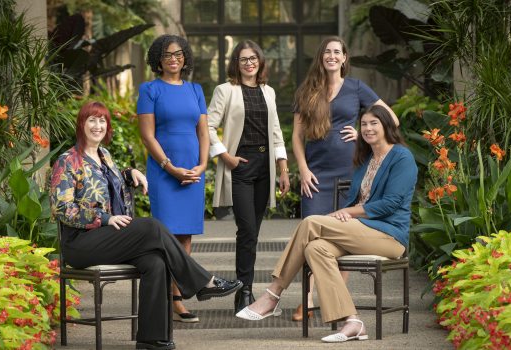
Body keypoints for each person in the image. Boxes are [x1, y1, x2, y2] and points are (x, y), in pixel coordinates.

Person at [50, 101, 242, 350]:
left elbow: (111, 184)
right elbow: (62, 209)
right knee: (152, 227)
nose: (97, 126)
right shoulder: (67, 161)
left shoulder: (104, 156)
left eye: (102, 121)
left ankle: (152, 339)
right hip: (81, 243)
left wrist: (130, 173)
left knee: (156, 261)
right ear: (81, 124)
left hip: (110, 238)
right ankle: (203, 282)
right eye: (92, 120)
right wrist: (106, 219)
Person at [236, 104, 417, 343]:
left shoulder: (402, 157)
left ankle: (273, 294)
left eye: (374, 123)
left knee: (311, 222)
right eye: (363, 123)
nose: (368, 128)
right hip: (362, 231)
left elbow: (391, 204)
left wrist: (347, 212)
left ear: (386, 126)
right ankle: (352, 321)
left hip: (390, 236)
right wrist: (347, 215)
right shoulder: (366, 160)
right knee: (315, 248)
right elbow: (358, 199)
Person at [290, 36, 400, 321]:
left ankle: (334, 299)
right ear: (321, 57)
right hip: (315, 174)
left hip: (350, 172)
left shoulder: (356, 87)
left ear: (344, 58)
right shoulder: (307, 90)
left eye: (336, 52)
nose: (331, 56)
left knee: (344, 238)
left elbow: (392, 119)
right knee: (310, 232)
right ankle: (308, 298)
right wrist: (302, 169)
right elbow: (297, 136)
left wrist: (362, 132)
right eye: (327, 51)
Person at [207, 40, 290, 314]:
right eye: (243, 59)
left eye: (253, 58)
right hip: (239, 166)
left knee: (253, 233)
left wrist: (283, 168)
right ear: (236, 63)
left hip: (264, 166)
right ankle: (244, 291)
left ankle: (246, 289)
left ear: (260, 61)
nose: (249, 63)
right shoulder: (226, 90)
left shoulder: (269, 92)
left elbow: (276, 130)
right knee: (247, 231)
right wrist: (224, 155)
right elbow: (207, 126)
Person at [137, 34, 209, 323]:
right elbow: (147, 135)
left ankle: (177, 297)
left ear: (185, 57)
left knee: (185, 235)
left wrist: (202, 165)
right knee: (166, 235)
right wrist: (169, 166)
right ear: (158, 59)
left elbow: (203, 132)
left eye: (178, 54)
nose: (173, 59)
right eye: (167, 55)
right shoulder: (149, 89)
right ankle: (167, 299)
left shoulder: (195, 90)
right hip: (164, 170)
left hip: (193, 171)